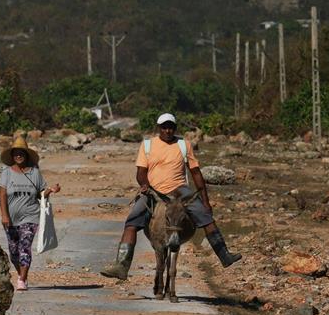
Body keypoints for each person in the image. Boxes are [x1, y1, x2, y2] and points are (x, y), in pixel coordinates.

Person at [100, 113, 241, 280]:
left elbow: (195, 172)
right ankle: (122, 266)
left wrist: (205, 200)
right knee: (131, 222)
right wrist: (144, 185)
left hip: (180, 190)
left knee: (206, 217)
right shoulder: (147, 145)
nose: (168, 130)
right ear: (158, 128)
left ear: (175, 128)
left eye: (171, 127)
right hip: (154, 190)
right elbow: (140, 173)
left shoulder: (183, 145)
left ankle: (224, 255)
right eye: (164, 127)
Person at [0, 136, 60, 291]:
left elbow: (41, 194)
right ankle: (21, 274)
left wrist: (50, 190)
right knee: (13, 251)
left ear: (26, 155)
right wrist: (4, 215)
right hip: (11, 218)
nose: (19, 156)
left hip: (31, 216)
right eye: (16, 153)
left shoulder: (35, 173)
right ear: (12, 155)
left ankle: (22, 279)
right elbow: (2, 195)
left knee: (24, 246)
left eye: (21, 153)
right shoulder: (6, 173)